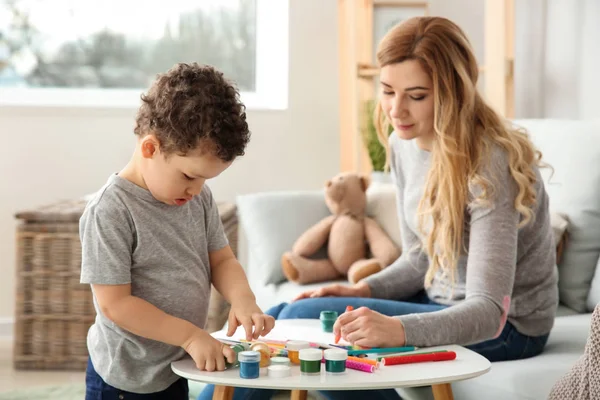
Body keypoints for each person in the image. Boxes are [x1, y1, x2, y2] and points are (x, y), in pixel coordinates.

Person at [199, 15, 558, 400]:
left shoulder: (490, 164)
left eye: (416, 96)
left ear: (455, 93)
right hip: (438, 301)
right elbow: (422, 259)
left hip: (510, 329)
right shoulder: (406, 143)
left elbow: (489, 312)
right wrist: (361, 288)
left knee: (299, 327)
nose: (396, 110)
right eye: (387, 91)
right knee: (292, 316)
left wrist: (398, 330)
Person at [80, 62, 275, 400]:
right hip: (124, 378)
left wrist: (243, 299)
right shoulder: (110, 210)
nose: (197, 189)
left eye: (205, 180)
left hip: (174, 367)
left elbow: (222, 260)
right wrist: (189, 336)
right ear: (150, 148)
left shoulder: (196, 199)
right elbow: (115, 304)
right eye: (189, 176)